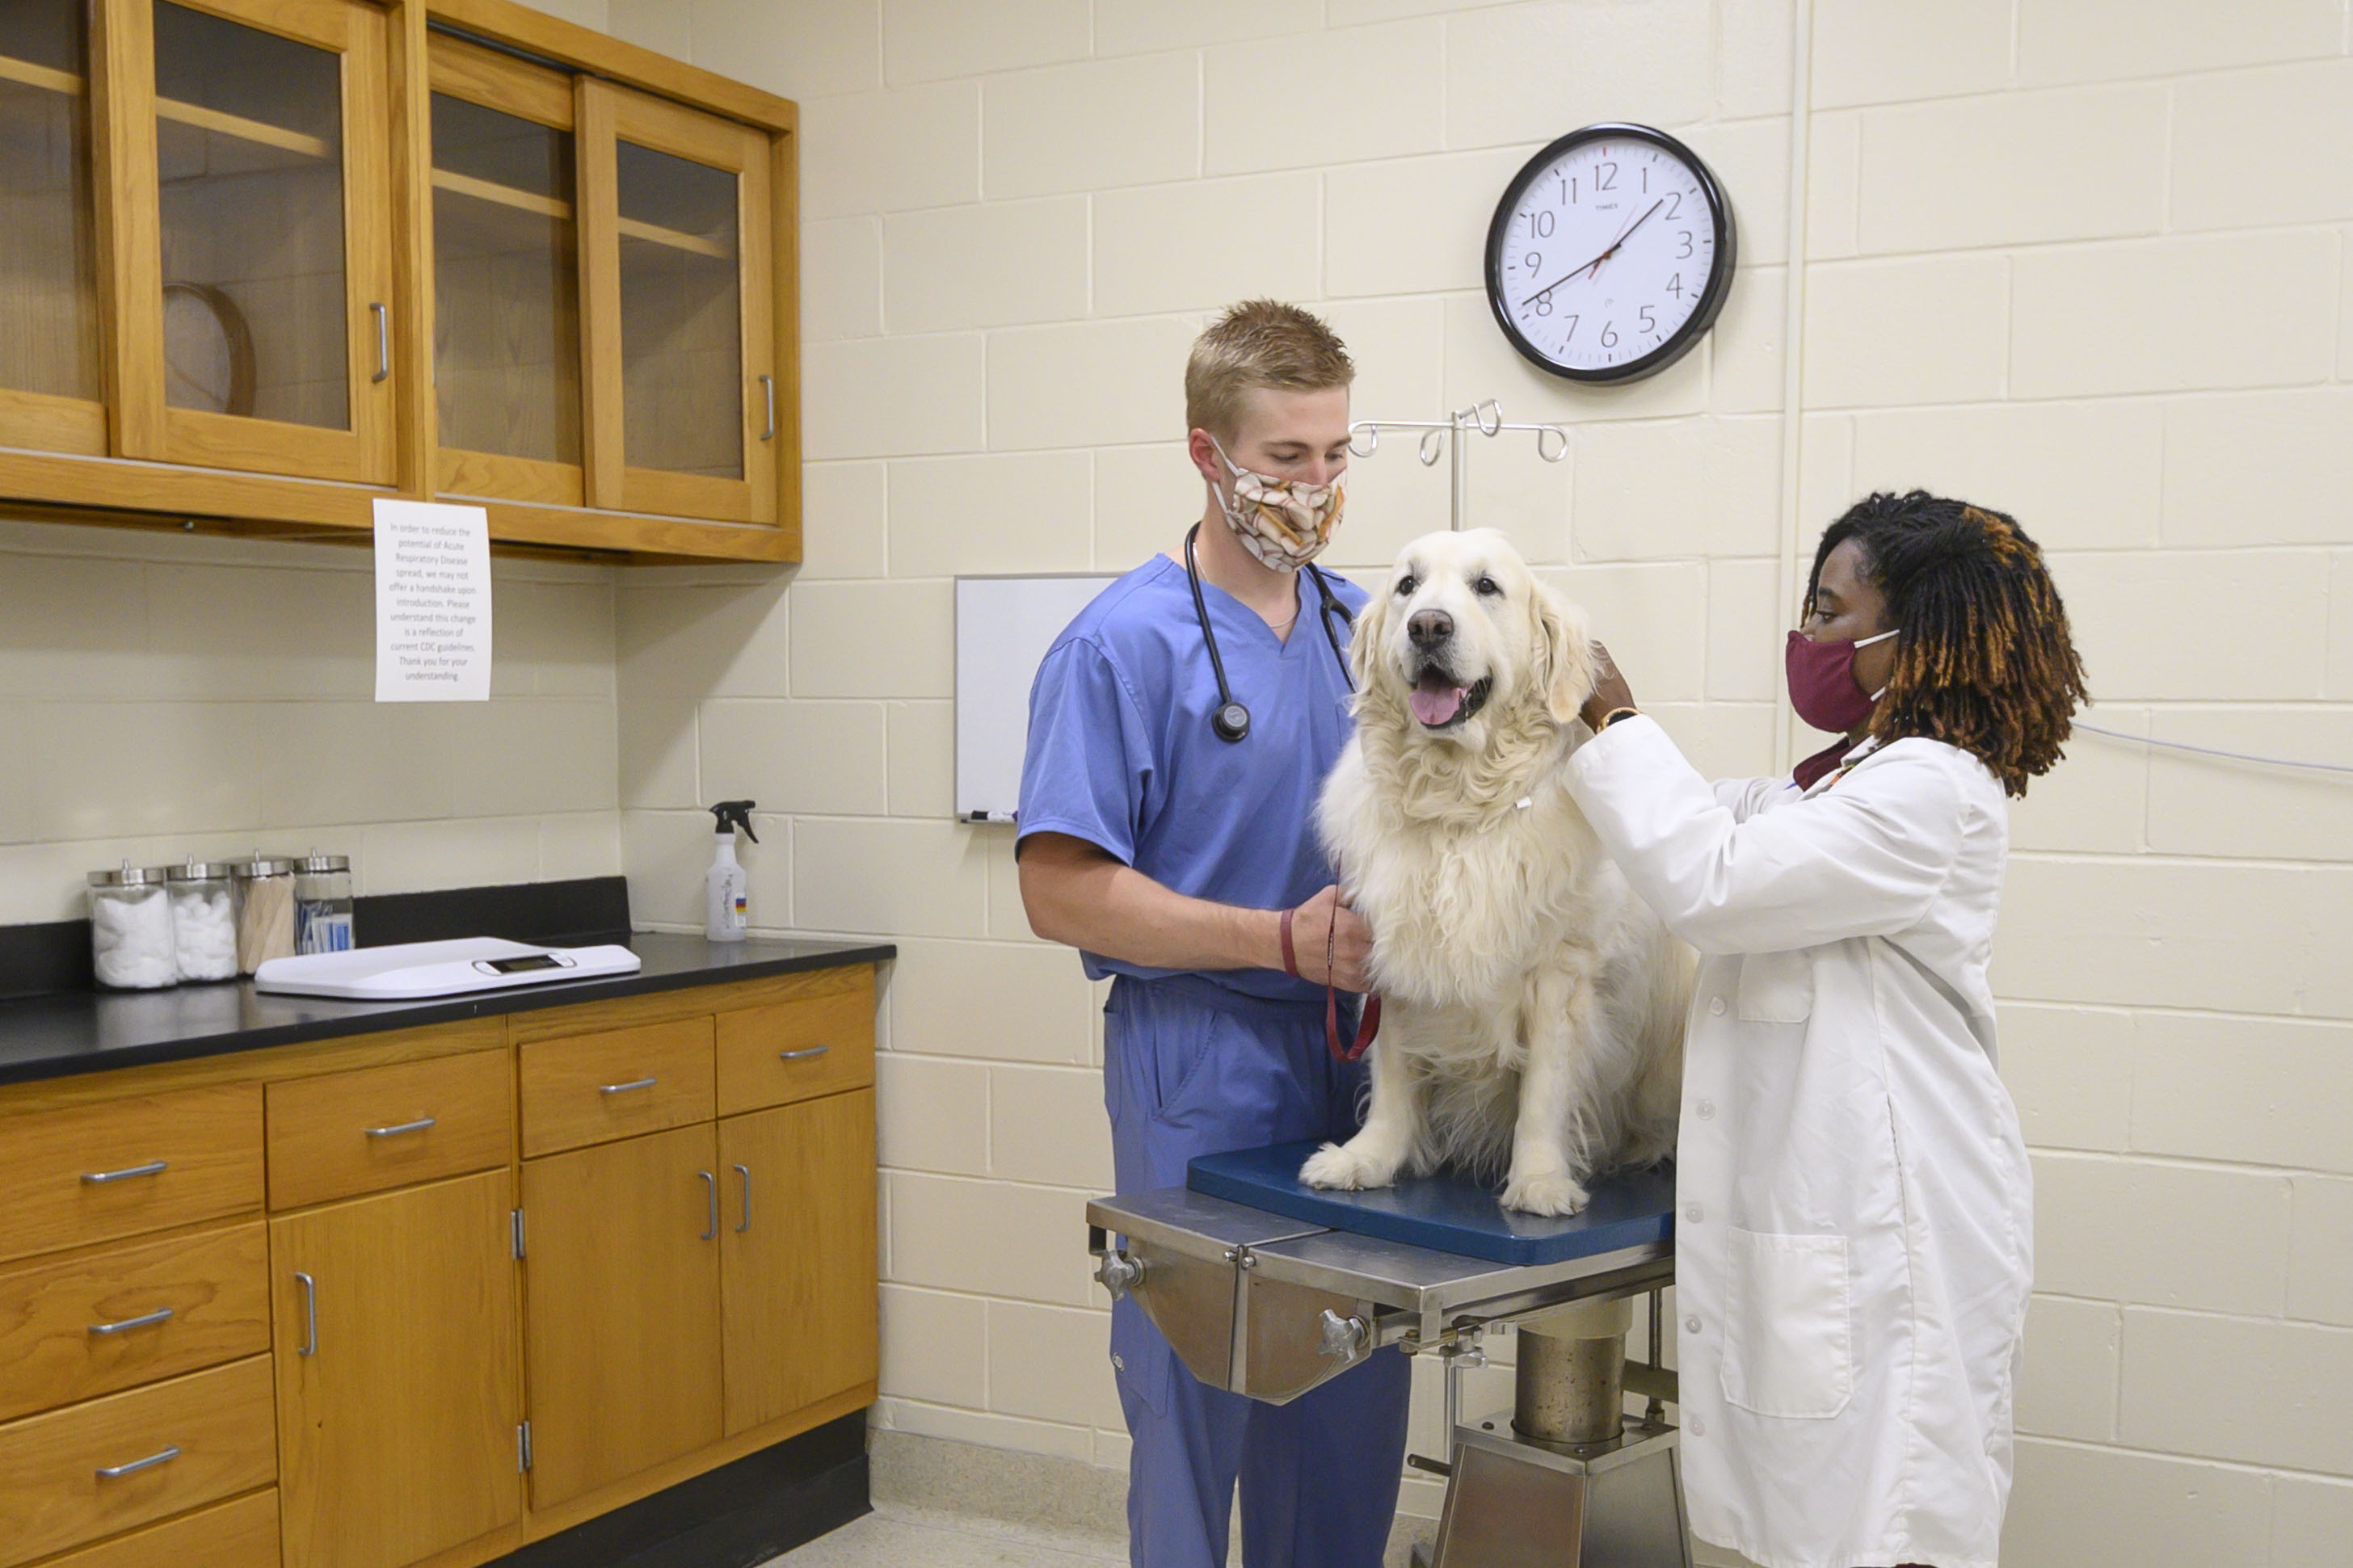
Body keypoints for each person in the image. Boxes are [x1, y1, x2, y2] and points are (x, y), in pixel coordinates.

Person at [1561, 491, 2087, 1568]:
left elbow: (1710, 878)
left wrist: (1617, 719)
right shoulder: (1846, 782)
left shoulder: (1929, 793)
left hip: (1892, 1235)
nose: (1809, 636)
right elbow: (1712, 817)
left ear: (1921, 638)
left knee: (1885, 1523)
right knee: (1819, 1522)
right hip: (1831, 1228)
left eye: (1832, 610)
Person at [1017, 301, 1412, 1568]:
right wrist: (1273, 939)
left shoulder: (1371, 635)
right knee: (1197, 1413)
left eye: (1339, 454)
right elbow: (1060, 889)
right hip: (1200, 1062)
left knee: (1351, 1410)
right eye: (1288, 458)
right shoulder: (1117, 646)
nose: (1319, 487)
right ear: (1208, 454)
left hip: (1356, 1066)